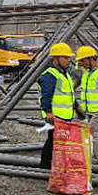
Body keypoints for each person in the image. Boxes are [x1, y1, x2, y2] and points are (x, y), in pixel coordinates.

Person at [38, 42, 76, 170]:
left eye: (69, 58)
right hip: (55, 115)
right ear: (56, 59)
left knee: (59, 142)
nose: (68, 61)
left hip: (64, 115)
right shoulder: (50, 75)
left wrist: (77, 108)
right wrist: (48, 112)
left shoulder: (63, 74)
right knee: (53, 141)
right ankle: (45, 166)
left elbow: (68, 94)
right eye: (65, 58)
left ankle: (53, 165)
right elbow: (46, 96)